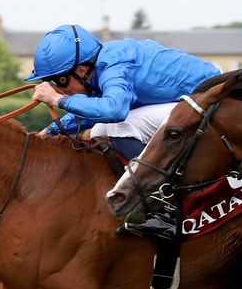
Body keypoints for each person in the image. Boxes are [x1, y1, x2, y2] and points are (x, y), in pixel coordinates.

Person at [26, 24, 220, 242]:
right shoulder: (99, 68)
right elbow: (94, 111)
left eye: (60, 81)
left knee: (118, 126)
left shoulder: (113, 63)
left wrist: (58, 100)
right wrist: (47, 133)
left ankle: (164, 209)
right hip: (190, 102)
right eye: (52, 82)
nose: (58, 88)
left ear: (81, 70)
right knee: (100, 129)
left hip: (212, 102)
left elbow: (114, 110)